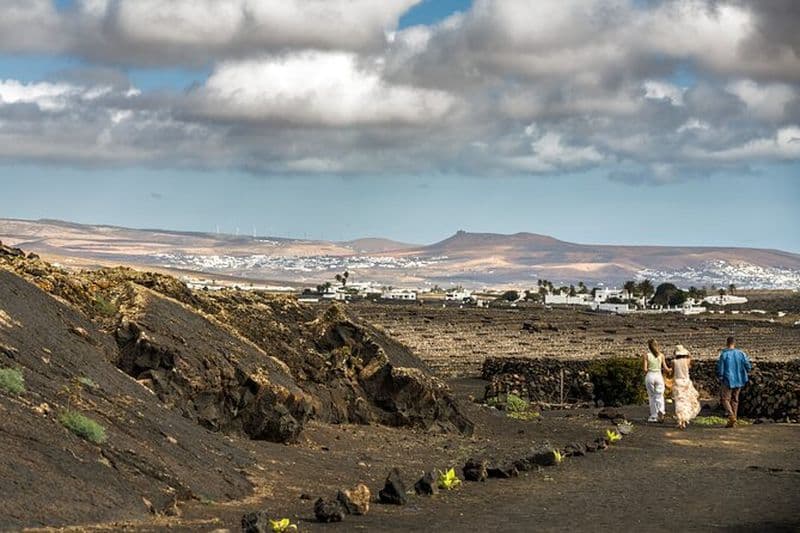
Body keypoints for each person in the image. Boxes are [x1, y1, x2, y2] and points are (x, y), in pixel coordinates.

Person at [717, 336, 752, 427]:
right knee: (735, 399)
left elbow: (721, 369)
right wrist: (746, 371)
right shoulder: (741, 353)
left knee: (725, 399)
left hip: (728, 379)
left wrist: (720, 377)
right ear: (734, 343)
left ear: (727, 343)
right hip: (740, 379)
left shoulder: (724, 354)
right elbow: (748, 365)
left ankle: (731, 415)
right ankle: (734, 420)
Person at [671, 345, 701, 429]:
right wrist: (687, 353)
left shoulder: (674, 362)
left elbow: (672, 373)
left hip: (678, 382)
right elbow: (690, 357)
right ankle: (684, 420)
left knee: (679, 401)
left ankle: (680, 421)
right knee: (686, 401)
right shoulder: (687, 360)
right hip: (686, 382)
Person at [643, 339, 669, 423]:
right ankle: (661, 411)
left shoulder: (646, 355)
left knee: (651, 396)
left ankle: (654, 415)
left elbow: (645, 369)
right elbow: (666, 369)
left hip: (650, 375)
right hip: (658, 375)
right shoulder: (661, 355)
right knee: (659, 395)